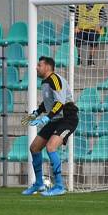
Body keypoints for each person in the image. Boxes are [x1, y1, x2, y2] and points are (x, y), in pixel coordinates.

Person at [21, 56, 79, 197]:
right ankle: (39, 184)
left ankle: (59, 186)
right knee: (34, 147)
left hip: (67, 118)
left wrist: (46, 117)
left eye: (39, 65)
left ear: (47, 67)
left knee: (51, 147)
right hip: (55, 119)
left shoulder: (55, 79)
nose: (36, 67)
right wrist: (35, 114)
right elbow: (47, 104)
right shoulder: (45, 82)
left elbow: (59, 103)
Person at [72, 0, 107, 66]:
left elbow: (104, 18)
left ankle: (91, 59)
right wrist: (76, 26)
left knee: (94, 38)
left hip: (94, 30)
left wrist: (100, 26)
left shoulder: (99, 5)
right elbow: (75, 17)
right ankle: (79, 58)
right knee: (76, 38)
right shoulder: (80, 5)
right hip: (82, 29)